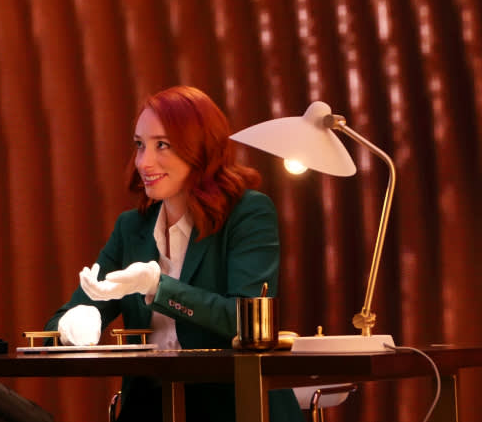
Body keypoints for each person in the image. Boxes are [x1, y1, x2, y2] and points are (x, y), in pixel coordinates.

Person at [44, 85, 302, 422]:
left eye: (161, 145)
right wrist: (75, 322)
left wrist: (159, 288)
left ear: (201, 148)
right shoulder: (131, 229)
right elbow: (58, 323)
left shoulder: (248, 213)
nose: (143, 162)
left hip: (235, 406)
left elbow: (244, 318)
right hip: (153, 407)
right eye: (139, 145)